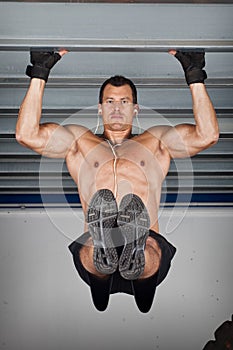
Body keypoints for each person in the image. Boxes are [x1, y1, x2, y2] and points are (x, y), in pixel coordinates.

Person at [16, 49, 219, 313]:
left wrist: (195, 76)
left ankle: (130, 257)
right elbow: (26, 135)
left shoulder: (156, 142)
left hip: (145, 239)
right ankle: (105, 252)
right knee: (92, 250)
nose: (116, 108)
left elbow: (207, 136)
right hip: (101, 244)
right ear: (100, 108)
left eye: (124, 102)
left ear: (135, 109)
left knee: (148, 251)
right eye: (110, 101)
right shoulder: (79, 142)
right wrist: (39, 72)